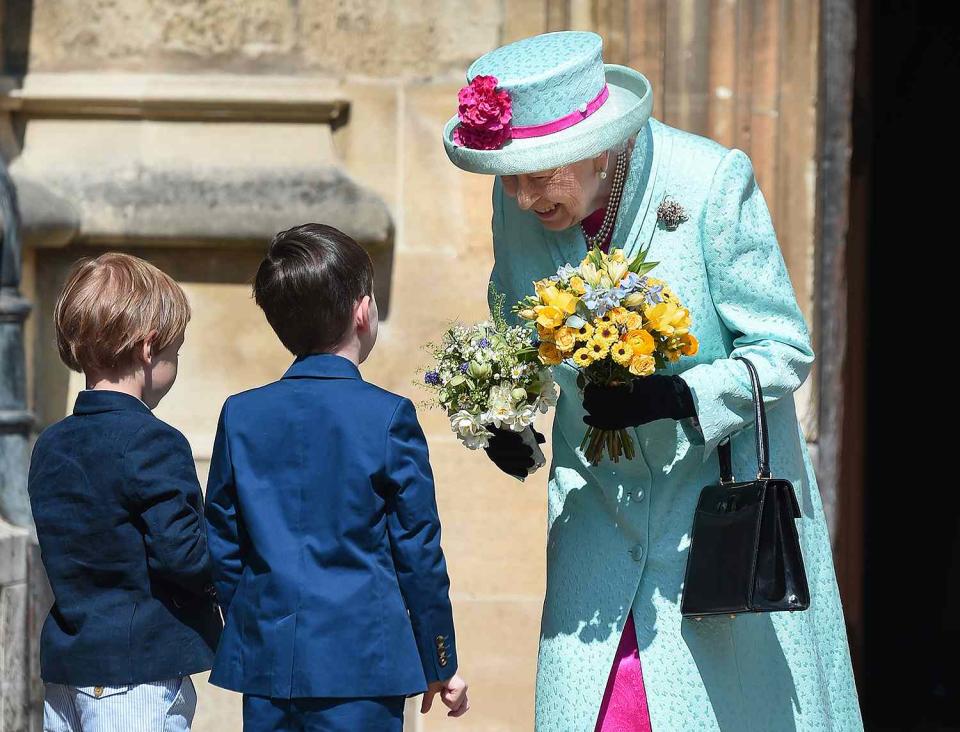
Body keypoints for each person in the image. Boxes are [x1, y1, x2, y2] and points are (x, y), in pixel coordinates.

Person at [442, 31, 862, 730]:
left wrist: (678, 395)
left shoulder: (708, 181)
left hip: (708, 522)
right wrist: (506, 417)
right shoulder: (514, 203)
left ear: (599, 146)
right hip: (594, 524)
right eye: (508, 176)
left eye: (537, 173)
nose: (519, 197)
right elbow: (514, 324)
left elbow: (783, 349)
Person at [204, 223, 468, 730]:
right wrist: (441, 658)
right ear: (363, 312)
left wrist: (258, 628)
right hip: (363, 667)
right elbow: (417, 551)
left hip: (269, 667)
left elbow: (223, 542)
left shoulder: (241, 414)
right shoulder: (389, 416)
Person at [29, 253, 221, 732]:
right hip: (137, 675)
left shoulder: (50, 444)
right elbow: (184, 556)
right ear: (148, 348)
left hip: (69, 669)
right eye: (175, 351)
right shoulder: (154, 440)